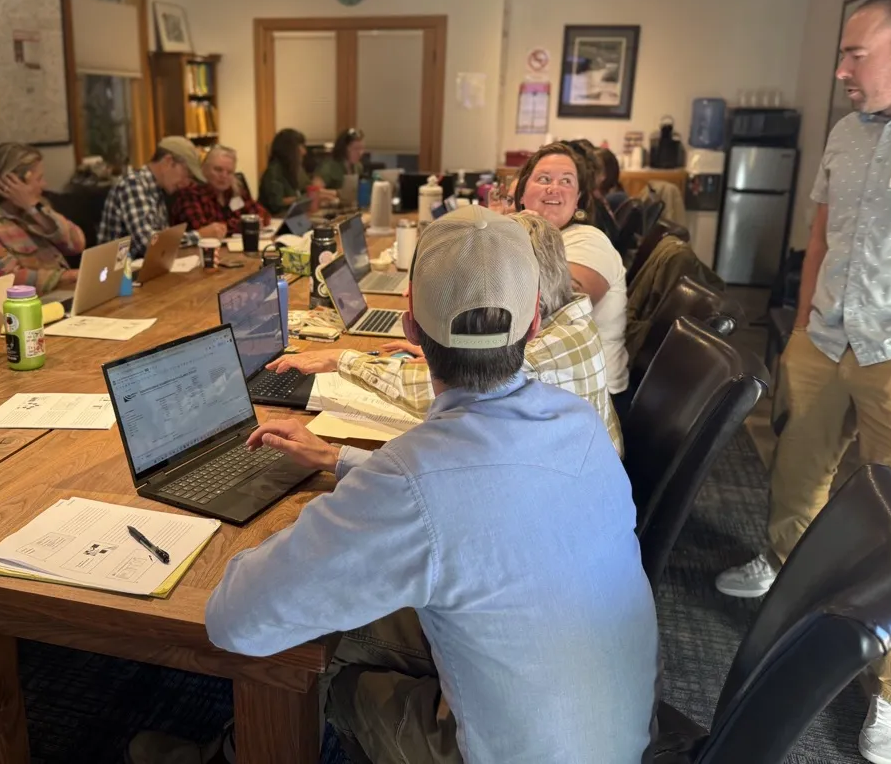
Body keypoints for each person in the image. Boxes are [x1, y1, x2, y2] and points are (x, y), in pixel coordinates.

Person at [160, 206, 656, 764]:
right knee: (359, 612)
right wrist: (340, 460)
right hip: (617, 729)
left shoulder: (410, 481)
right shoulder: (579, 422)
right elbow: (463, 498)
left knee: (320, 655)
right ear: (536, 321)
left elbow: (235, 620)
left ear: (410, 325)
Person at [715, 0, 891, 764]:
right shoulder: (848, 131)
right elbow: (819, 232)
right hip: (827, 338)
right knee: (795, 469)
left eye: (856, 52)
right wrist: (806, 321)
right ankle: (783, 568)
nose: (842, 67)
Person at [266, 211, 624, 455]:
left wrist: (342, 358)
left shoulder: (535, 359)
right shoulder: (570, 321)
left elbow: (437, 393)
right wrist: (456, 345)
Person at [514, 141, 629, 408]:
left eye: (566, 181)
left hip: (593, 400)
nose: (554, 188)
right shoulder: (523, 238)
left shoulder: (589, 241)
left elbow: (554, 309)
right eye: (543, 179)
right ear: (521, 193)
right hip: (542, 378)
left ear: (578, 199)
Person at [0, 143, 85, 294]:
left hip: (60, 294)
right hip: (25, 305)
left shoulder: (30, 207)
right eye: (39, 179)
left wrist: (33, 208)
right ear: (12, 182)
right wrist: (66, 277)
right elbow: (4, 279)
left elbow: (76, 244)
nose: (44, 185)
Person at [97, 137, 197, 259]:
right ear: (168, 162)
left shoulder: (157, 190)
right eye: (186, 173)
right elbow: (150, 243)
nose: (186, 183)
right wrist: (199, 235)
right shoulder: (133, 184)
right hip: (118, 274)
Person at [168, 144, 269, 239]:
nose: (224, 176)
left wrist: (249, 222)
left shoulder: (234, 189)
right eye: (218, 170)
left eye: (229, 172)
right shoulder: (190, 194)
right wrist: (242, 224)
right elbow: (206, 230)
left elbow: (262, 214)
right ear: (203, 169)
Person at [257, 127, 309, 214]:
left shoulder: (293, 169)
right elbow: (277, 203)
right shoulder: (273, 172)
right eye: (301, 146)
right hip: (275, 220)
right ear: (289, 149)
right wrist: (303, 198)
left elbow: (307, 188)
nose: (304, 152)